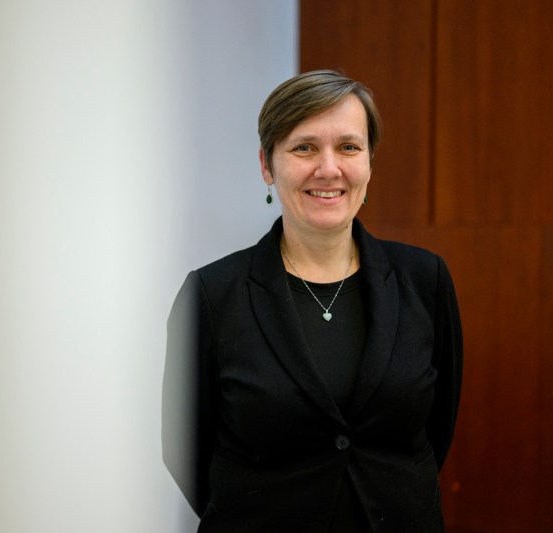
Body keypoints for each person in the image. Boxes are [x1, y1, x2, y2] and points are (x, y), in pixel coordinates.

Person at [161, 70, 463, 532]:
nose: (328, 169)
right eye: (304, 147)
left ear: (369, 162)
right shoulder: (211, 294)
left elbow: (434, 429)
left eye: (348, 147)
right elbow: (184, 449)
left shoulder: (425, 280)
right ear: (267, 165)